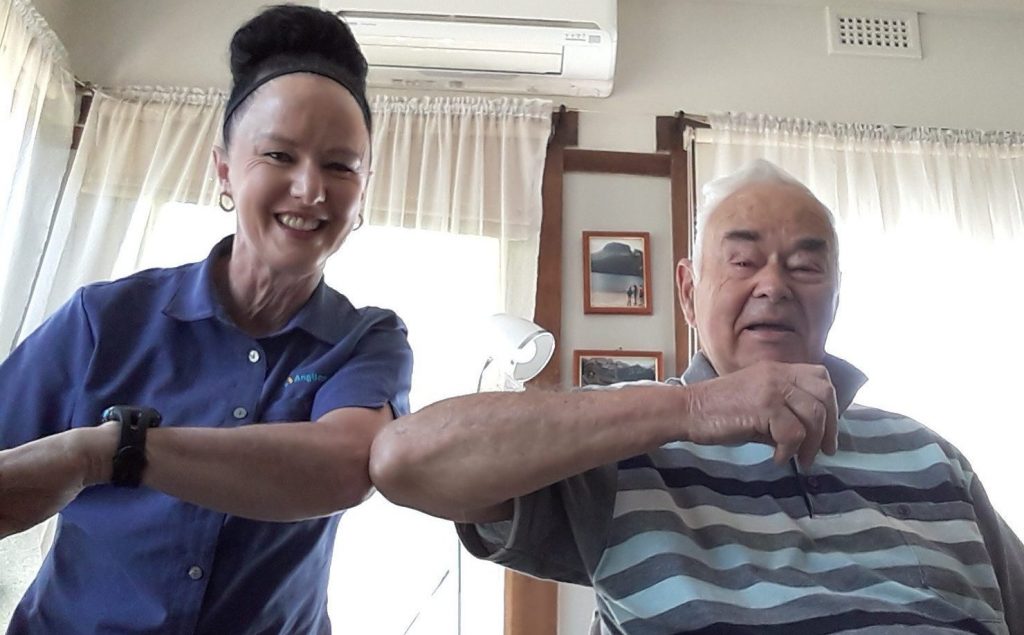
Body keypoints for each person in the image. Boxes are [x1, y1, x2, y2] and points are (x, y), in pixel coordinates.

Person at [370, 159, 1024, 633]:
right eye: (742, 261)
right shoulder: (627, 453)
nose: (774, 284)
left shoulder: (929, 456)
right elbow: (405, 458)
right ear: (687, 290)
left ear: (838, 292)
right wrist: (695, 407)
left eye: (804, 263)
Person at [0, 6, 412, 634]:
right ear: (223, 168)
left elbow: (345, 464)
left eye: (340, 165)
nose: (310, 189)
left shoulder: (366, 341)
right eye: (278, 154)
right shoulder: (105, 321)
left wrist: (108, 453)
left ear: (364, 188)